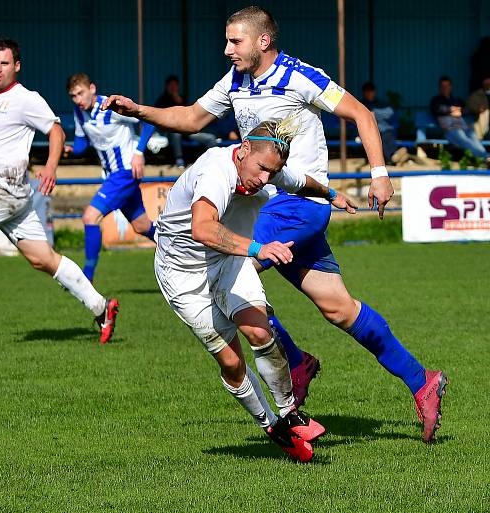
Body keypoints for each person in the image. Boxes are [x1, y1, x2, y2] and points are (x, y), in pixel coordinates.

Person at [103, 5, 447, 443]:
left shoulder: (299, 76)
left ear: (262, 40)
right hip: (275, 206)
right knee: (339, 308)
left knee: (233, 272)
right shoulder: (235, 82)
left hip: (295, 204)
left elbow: (361, 113)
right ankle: (423, 381)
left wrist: (380, 174)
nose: (228, 49)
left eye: (235, 41)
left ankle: (294, 361)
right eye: (227, 41)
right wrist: (139, 111)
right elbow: (190, 118)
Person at [155, 117, 357, 461]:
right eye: (262, 169)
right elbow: (203, 228)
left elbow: (299, 182)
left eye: (271, 172)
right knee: (232, 363)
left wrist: (333, 194)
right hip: (184, 276)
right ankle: (271, 425)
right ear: (243, 149)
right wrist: (257, 249)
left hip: (228, 261)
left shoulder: (267, 165)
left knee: (259, 331)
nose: (265, 179)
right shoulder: (216, 171)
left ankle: (290, 413)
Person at [0, 37, 119, 343]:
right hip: (11, 195)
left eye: (4, 63)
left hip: (2, 187)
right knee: (43, 259)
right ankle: (101, 307)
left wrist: (52, 166)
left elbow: (55, 130)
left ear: (16, 66)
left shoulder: (26, 99)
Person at [64, 72, 157, 281]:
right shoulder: (80, 114)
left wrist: (139, 152)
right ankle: (180, 247)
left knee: (90, 216)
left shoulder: (111, 107)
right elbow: (81, 144)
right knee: (142, 226)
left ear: (93, 89)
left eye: (80, 93)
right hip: (114, 177)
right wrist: (70, 149)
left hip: (124, 173)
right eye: (73, 96)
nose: (78, 99)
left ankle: (86, 277)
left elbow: (149, 122)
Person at [154, 75, 218, 168]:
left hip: (187, 130)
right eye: (171, 85)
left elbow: (191, 115)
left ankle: (212, 162)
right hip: (170, 132)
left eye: (175, 85)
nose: (173, 87)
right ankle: (179, 160)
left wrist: (177, 99)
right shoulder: (162, 100)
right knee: (176, 134)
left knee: (210, 138)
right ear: (167, 86)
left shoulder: (181, 98)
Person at [430, 76, 489, 166]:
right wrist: (451, 110)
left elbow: (467, 110)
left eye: (447, 86)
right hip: (451, 129)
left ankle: (485, 158)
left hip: (464, 127)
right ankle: (485, 157)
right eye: (442, 86)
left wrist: (460, 112)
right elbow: (438, 109)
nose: (445, 88)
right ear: (439, 88)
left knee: (474, 138)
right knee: (465, 140)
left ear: (451, 87)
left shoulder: (456, 100)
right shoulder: (436, 100)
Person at [361, 81, 408, 165]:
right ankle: (393, 157)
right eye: (367, 91)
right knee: (378, 135)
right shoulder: (361, 103)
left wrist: (374, 113)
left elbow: (389, 112)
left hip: (384, 129)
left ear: (375, 92)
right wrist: (376, 114)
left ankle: (393, 156)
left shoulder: (380, 103)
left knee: (387, 134)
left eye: (371, 91)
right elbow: (361, 114)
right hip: (368, 129)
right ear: (364, 93)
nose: (370, 93)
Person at [466, 77, 490, 141]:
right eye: (486, 81)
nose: (488, 83)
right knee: (486, 113)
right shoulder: (476, 95)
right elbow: (469, 107)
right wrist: (478, 109)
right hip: (478, 124)